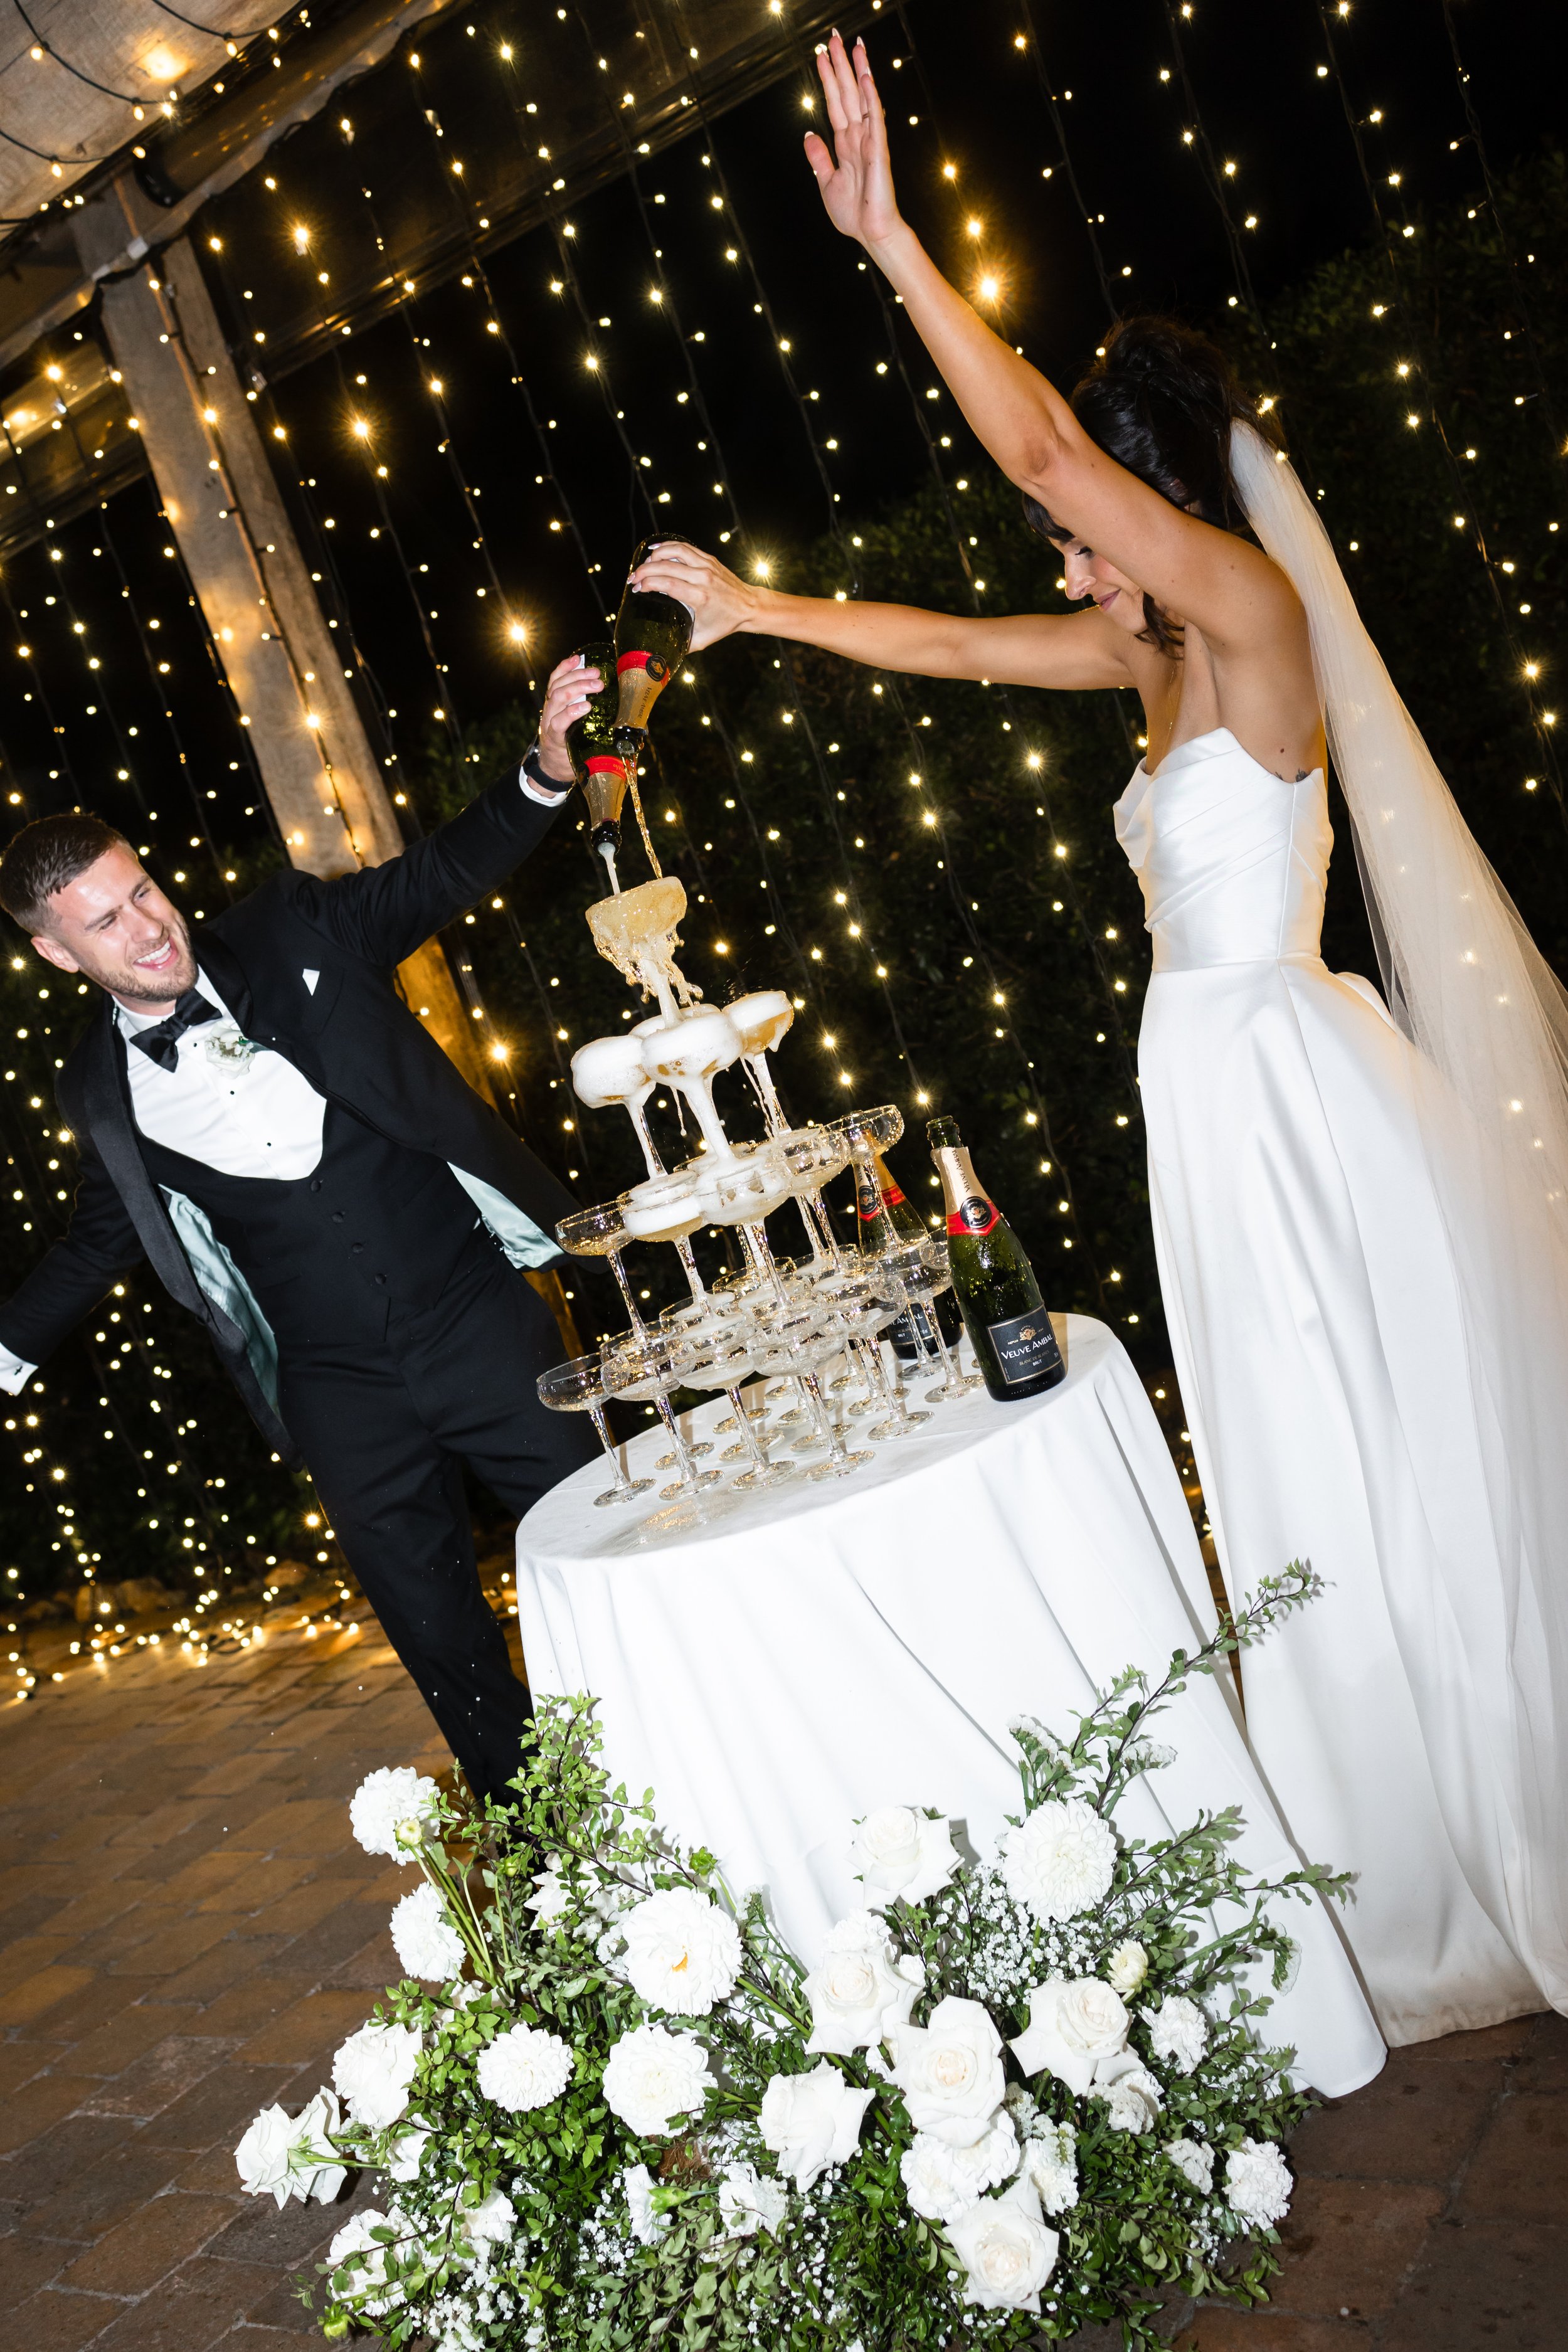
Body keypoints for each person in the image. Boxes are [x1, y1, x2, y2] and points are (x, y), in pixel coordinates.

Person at [629, 31, 1568, 2044]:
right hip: (1206, 1102)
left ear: (1162, 503)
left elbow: (1049, 460)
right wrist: (759, 614)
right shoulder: (1141, 651)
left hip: (1289, 1093)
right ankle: (1372, 1826)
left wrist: (890, 245)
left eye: (1091, 531)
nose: (1063, 559)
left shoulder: (1249, 614)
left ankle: (1464, 1828)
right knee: (1289, 1472)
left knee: (1376, 1460)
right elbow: (948, 642)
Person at [0, 655, 608, 1804]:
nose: (147, 928)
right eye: (105, 922)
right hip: (337, 1391)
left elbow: (437, 875)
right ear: (56, 953)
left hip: (476, 1318)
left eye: (143, 892)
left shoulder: (292, 926)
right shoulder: (97, 1092)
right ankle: (549, 1847)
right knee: (441, 1639)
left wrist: (542, 771)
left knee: (603, 1545)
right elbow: (97, 1239)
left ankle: (679, 1772)